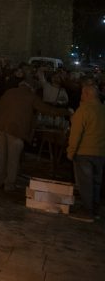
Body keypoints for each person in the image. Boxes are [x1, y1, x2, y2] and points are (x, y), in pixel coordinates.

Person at [0, 80, 59, 191]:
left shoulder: (8, 92)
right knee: (13, 160)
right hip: (17, 131)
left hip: (1, 129)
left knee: (1, 157)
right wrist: (66, 112)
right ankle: (9, 185)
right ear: (32, 88)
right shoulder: (31, 96)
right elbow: (47, 110)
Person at [66, 85, 105, 223]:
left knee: (85, 184)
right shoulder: (102, 110)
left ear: (87, 94)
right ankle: (95, 210)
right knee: (96, 183)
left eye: (83, 93)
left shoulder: (83, 110)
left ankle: (87, 211)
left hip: (84, 152)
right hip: (100, 153)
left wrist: (71, 152)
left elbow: (75, 134)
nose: (81, 96)